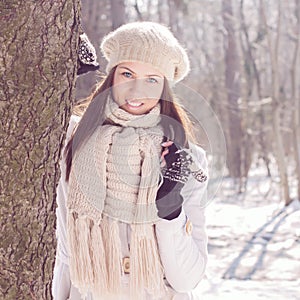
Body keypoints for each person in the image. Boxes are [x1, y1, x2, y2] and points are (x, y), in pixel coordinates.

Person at [52, 21, 209, 300]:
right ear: (111, 76)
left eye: (151, 79)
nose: (137, 91)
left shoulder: (187, 157)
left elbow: (187, 279)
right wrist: (55, 74)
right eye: (127, 73)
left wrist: (170, 208)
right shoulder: (70, 137)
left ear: (164, 87)